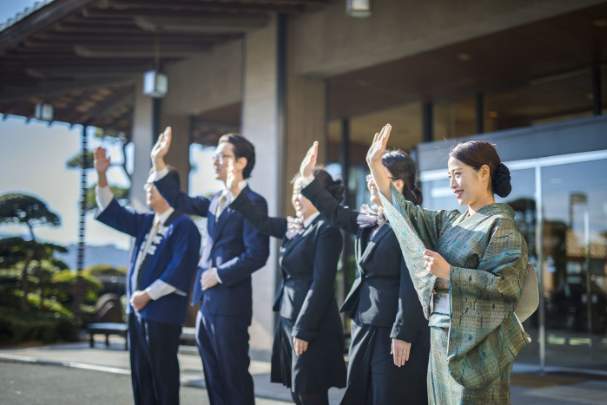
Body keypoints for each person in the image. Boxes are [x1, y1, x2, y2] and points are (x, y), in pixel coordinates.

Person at [367, 124, 530, 404]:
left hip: (477, 346)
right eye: (449, 176)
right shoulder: (451, 221)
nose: (453, 183)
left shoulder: (500, 224)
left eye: (458, 174)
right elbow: (406, 213)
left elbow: (507, 286)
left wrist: (450, 273)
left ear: (484, 172)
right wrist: (374, 166)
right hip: (442, 337)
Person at [297, 142, 428, 405]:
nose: (369, 181)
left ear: (398, 184)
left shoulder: (412, 222)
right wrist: (307, 177)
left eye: (376, 174)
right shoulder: (371, 220)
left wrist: (404, 332)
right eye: (369, 174)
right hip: (363, 321)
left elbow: (413, 281)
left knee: (387, 396)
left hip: (391, 328)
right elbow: (335, 212)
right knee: (359, 392)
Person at [150, 127, 269, 405]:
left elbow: (257, 254)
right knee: (214, 379)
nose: (215, 160)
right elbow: (179, 200)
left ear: (241, 162)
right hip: (206, 303)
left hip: (230, 306)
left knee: (233, 379)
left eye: (223, 156)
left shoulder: (254, 203)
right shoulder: (215, 200)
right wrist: (158, 162)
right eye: (215, 155)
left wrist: (219, 274)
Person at [226, 159, 346, 405]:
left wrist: (304, 329)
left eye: (302, 192)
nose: (296, 198)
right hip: (288, 319)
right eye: (294, 192)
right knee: (296, 392)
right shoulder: (296, 226)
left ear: (318, 194)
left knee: (309, 394)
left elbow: (321, 285)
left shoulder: (327, 230)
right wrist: (235, 190)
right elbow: (261, 222)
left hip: (311, 325)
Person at [93, 147, 201, 405]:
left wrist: (147, 295)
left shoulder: (184, 226)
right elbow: (112, 210)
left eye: (153, 184)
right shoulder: (145, 221)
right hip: (137, 312)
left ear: (168, 188)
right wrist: (102, 175)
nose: (147, 188)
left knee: (162, 376)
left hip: (162, 313)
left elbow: (179, 269)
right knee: (141, 375)